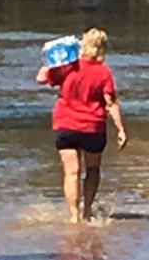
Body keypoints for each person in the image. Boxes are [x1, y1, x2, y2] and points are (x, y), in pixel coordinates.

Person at [36, 27, 127, 223]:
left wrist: (52, 58)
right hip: (92, 128)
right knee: (92, 169)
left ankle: (73, 216)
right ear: (103, 49)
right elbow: (110, 103)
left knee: (71, 172)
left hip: (65, 125)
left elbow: (41, 78)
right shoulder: (104, 73)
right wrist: (120, 129)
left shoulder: (68, 66)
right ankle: (87, 211)